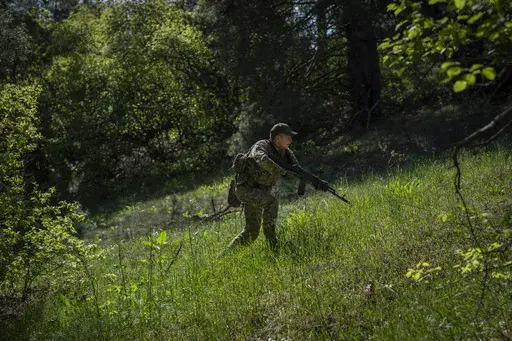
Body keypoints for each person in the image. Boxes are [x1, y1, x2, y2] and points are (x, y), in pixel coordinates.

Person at [227, 123, 329, 252]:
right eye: (289, 137)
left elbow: (297, 170)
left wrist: (315, 182)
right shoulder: (261, 146)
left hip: (260, 191)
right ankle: (273, 243)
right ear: (278, 138)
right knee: (272, 202)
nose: (291, 140)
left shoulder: (286, 153)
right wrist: (283, 172)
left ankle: (225, 256)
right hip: (246, 189)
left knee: (251, 232)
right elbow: (261, 159)